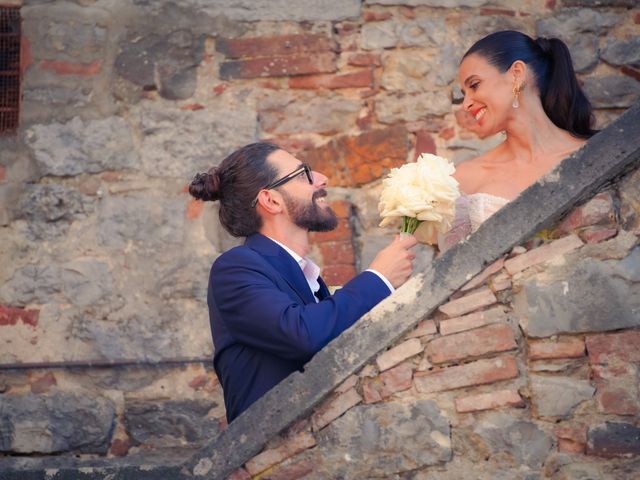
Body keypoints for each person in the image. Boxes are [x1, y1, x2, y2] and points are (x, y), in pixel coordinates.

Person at [189, 142, 417, 422]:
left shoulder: (311, 280)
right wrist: (379, 279)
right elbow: (301, 333)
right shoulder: (235, 268)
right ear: (271, 200)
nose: (321, 179)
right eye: (303, 174)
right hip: (274, 454)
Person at [440, 30, 597, 251]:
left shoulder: (595, 154)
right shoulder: (465, 178)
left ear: (516, 74)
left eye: (474, 85)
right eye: (464, 93)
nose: (466, 104)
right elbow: (448, 277)